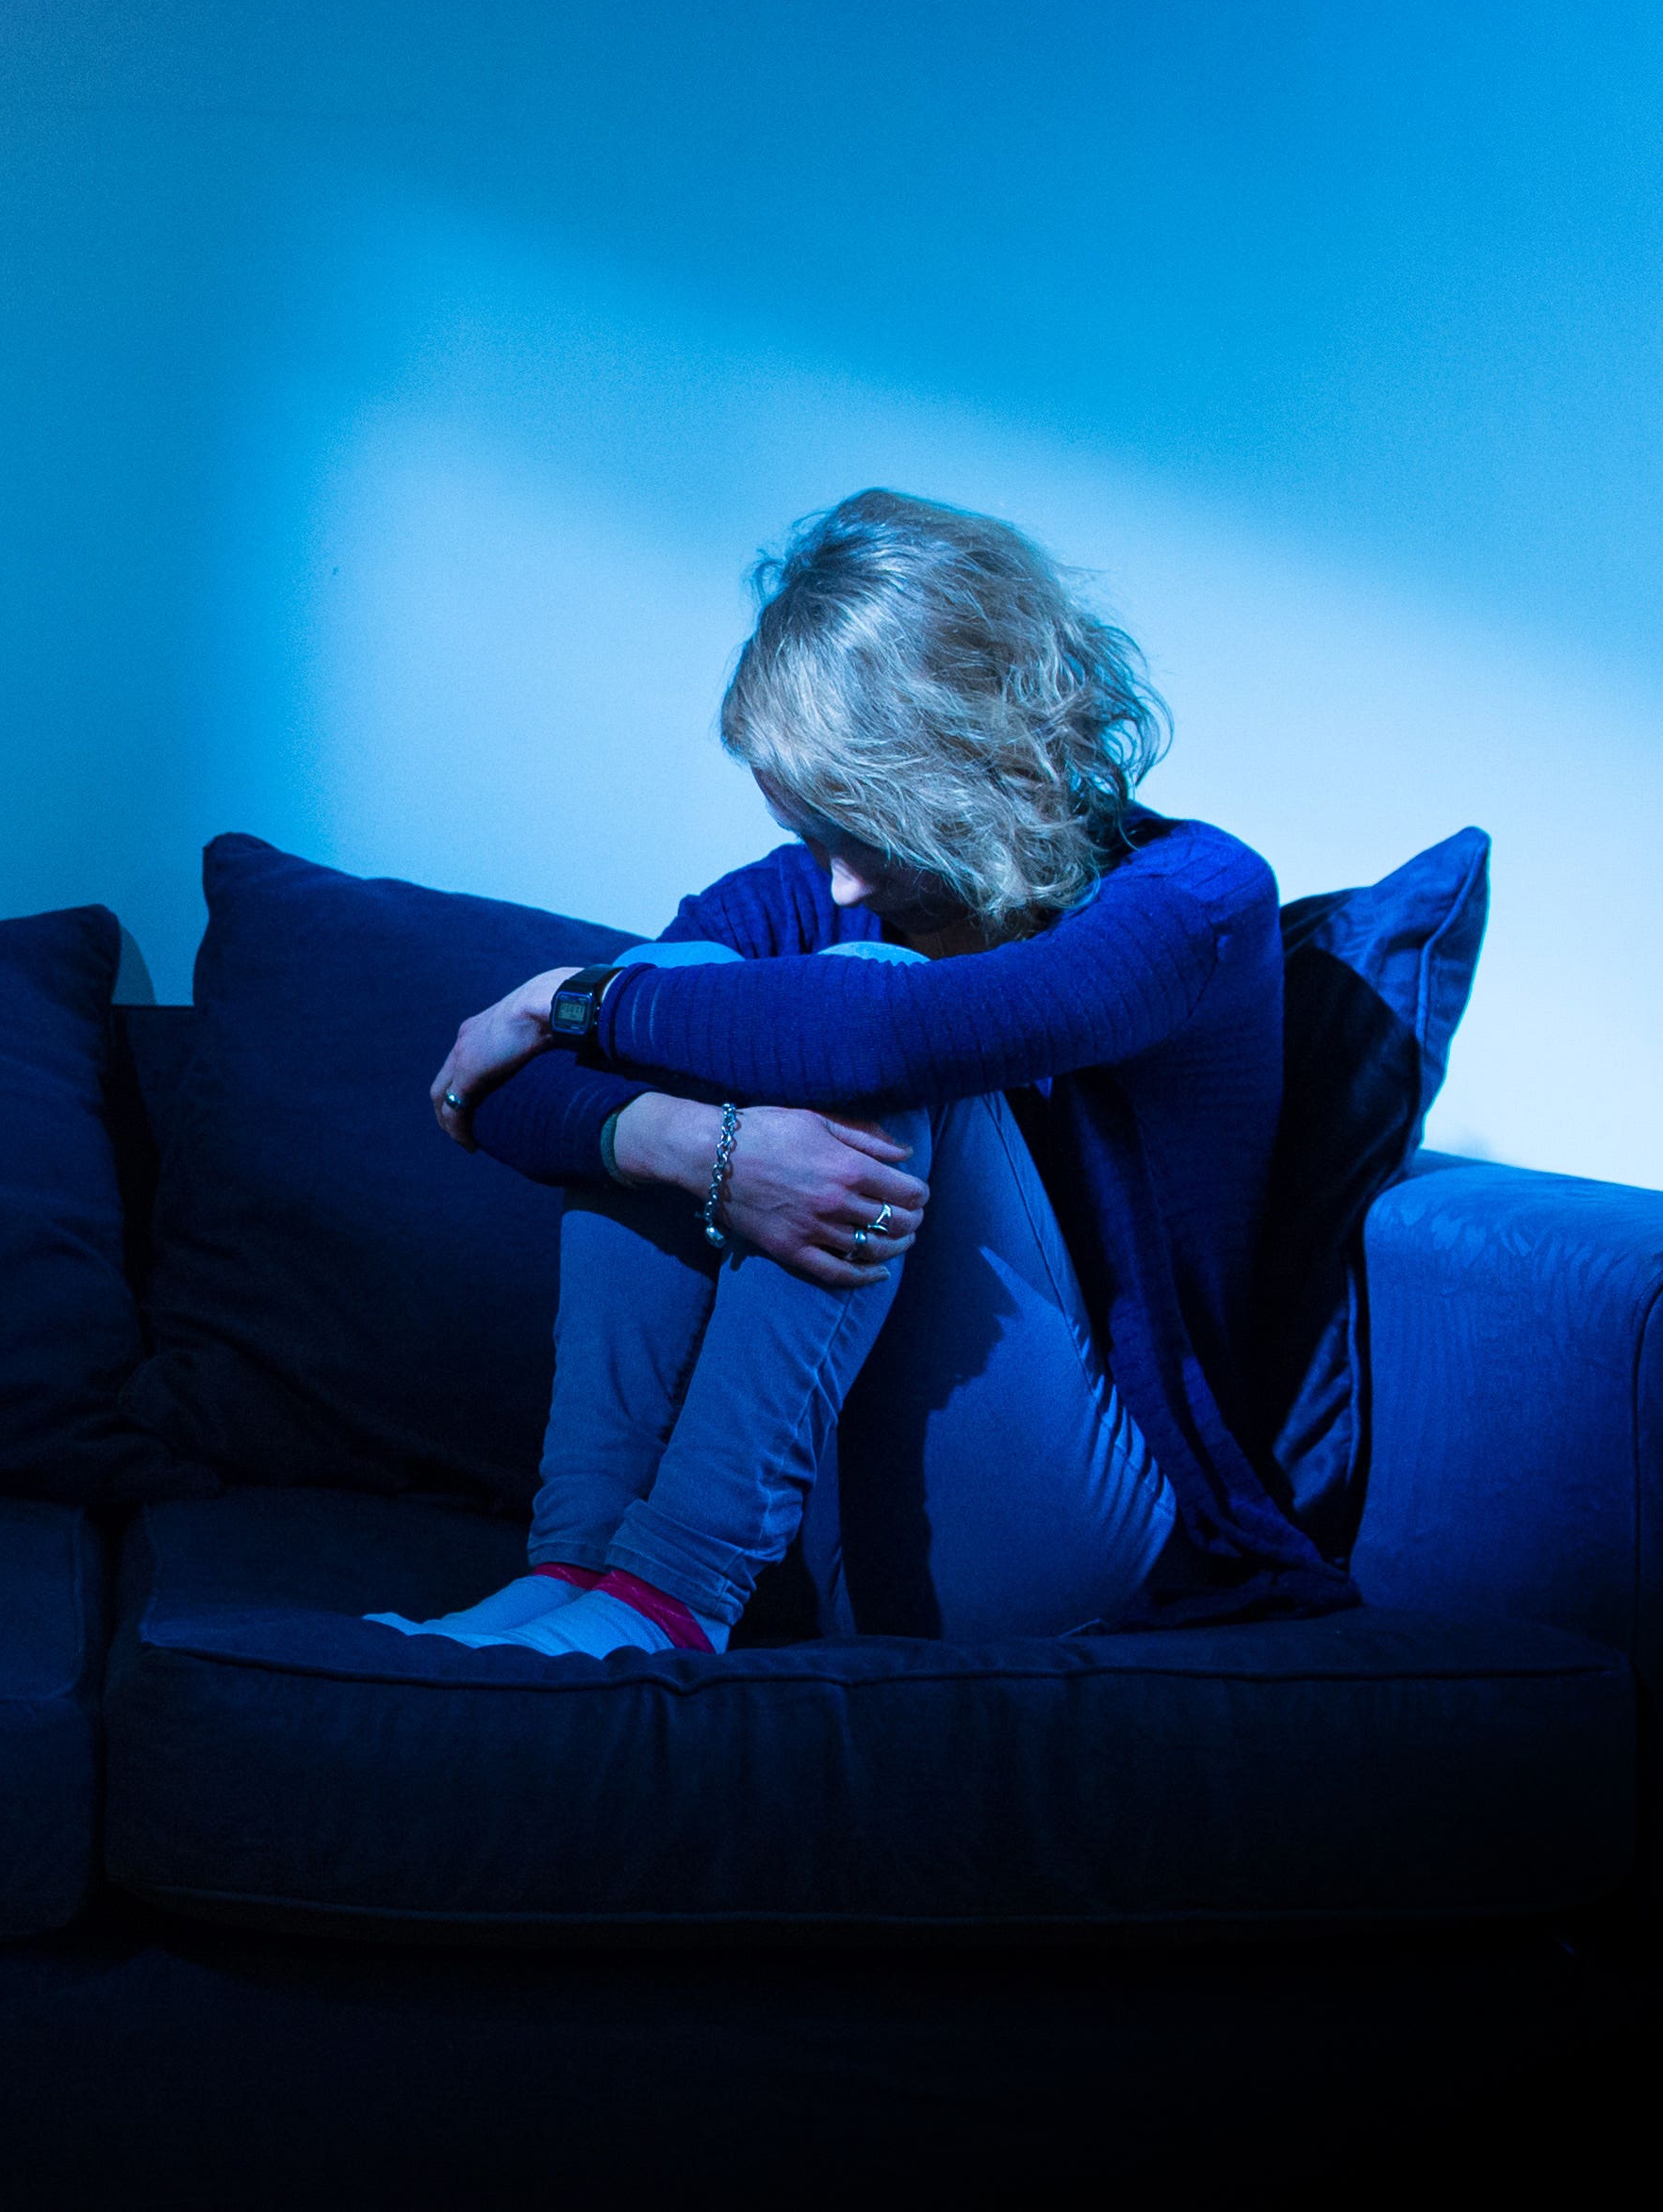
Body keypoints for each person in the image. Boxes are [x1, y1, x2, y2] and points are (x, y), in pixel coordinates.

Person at [373, 489, 1351, 1659]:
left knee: (843, 994)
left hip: (1096, 1527)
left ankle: (669, 1602)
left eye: (862, 826)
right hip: (847, 1515)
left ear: (966, 770)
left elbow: (883, 1042)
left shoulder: (1192, 902)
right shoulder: (820, 886)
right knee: (697, 977)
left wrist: (569, 993)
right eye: (813, 831)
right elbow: (512, 1097)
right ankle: (578, 1570)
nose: (833, 881)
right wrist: (701, 1153)